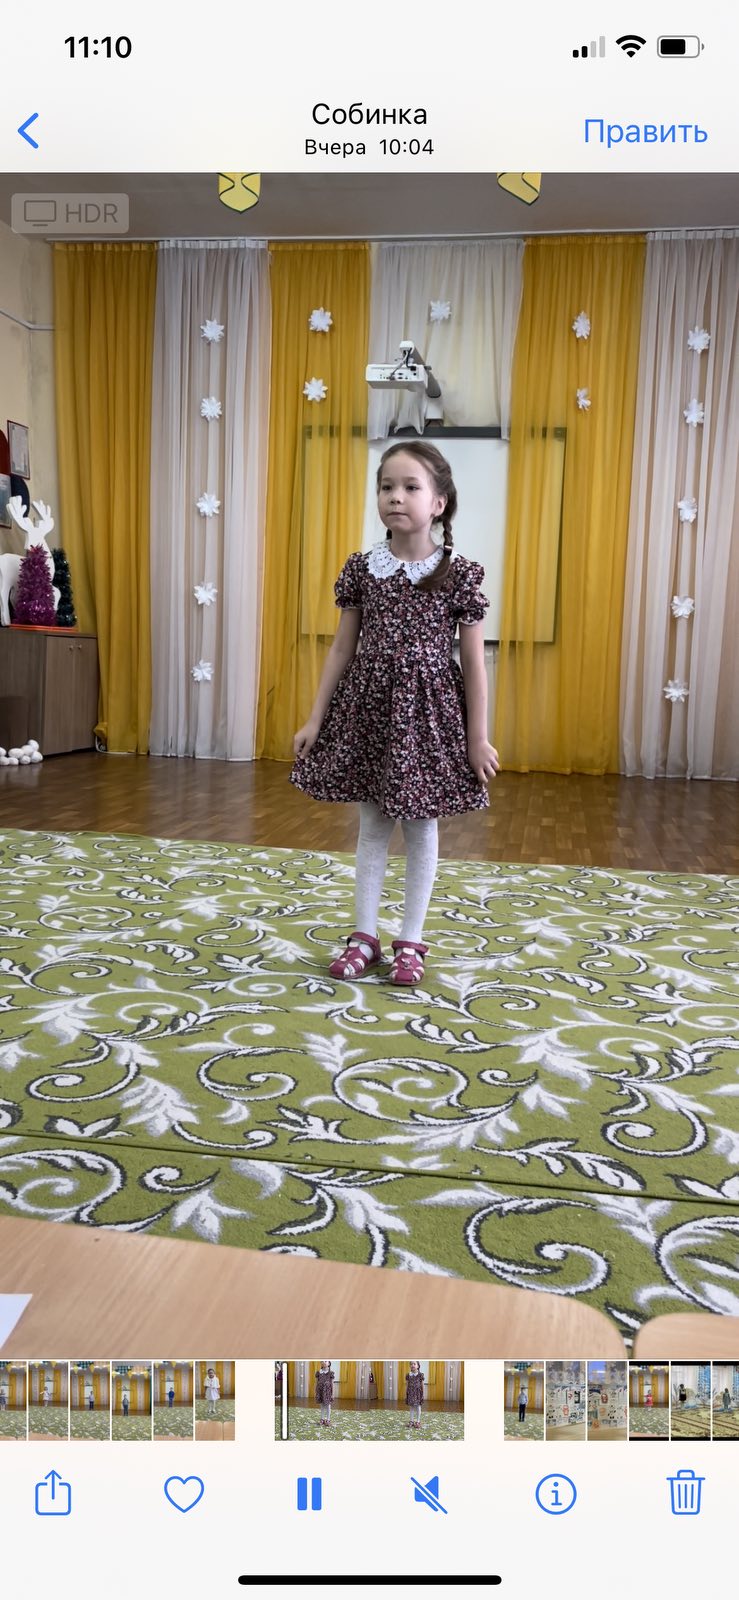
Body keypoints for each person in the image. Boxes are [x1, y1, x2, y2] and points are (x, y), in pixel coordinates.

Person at [291, 442, 500, 987]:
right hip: (370, 711)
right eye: (386, 486)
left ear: (439, 503)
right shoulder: (363, 569)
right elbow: (342, 648)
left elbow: (473, 665)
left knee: (421, 827)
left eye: (410, 487)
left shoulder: (460, 574)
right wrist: (315, 719)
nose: (395, 497)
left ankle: (411, 939)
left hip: (428, 718)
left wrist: (478, 738)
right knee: (373, 826)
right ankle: (364, 935)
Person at [406, 1361, 424, 1430]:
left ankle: (418, 1421)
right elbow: (407, 1384)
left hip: (418, 1393)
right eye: (411, 1364)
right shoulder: (408, 1375)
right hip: (410, 1393)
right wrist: (406, 1392)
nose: (412, 1365)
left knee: (418, 1406)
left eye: (414, 1364)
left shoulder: (420, 1375)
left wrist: (422, 1393)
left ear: (418, 1366)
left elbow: (422, 1385)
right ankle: (411, 1421)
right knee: (411, 1407)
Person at [315, 1361, 334, 1428]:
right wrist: (316, 1391)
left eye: (326, 1361)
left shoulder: (330, 1373)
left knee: (328, 1405)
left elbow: (332, 1384)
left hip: (327, 1392)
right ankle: (322, 1419)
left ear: (329, 1363)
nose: (324, 1362)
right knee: (322, 1405)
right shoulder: (318, 1373)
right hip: (320, 1391)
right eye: (322, 1361)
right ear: (321, 1363)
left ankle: (328, 1419)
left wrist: (332, 1393)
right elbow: (316, 1383)